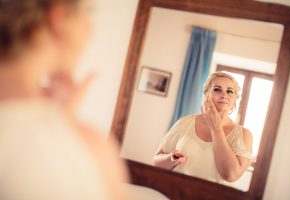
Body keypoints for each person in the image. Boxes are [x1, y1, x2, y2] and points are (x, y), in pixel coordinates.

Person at [0, 0, 129, 199]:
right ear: (58, 19)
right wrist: (63, 129)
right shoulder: (91, 151)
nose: (90, 28)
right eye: (88, 11)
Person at [153, 71, 253, 184]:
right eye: (217, 89)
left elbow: (230, 175)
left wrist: (216, 129)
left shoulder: (244, 135)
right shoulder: (185, 122)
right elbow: (156, 161)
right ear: (206, 94)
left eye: (230, 91)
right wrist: (171, 160)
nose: (224, 95)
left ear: (235, 99)